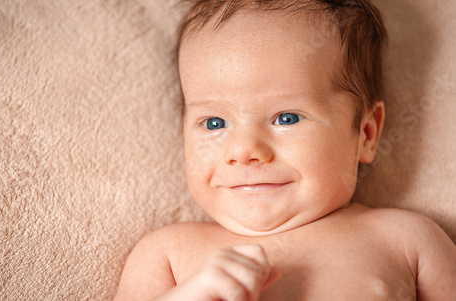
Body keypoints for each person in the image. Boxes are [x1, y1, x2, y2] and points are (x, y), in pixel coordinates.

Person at [114, 1, 456, 300]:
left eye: (286, 117)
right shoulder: (167, 253)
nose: (244, 150)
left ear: (365, 133)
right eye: (214, 123)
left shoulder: (406, 239)